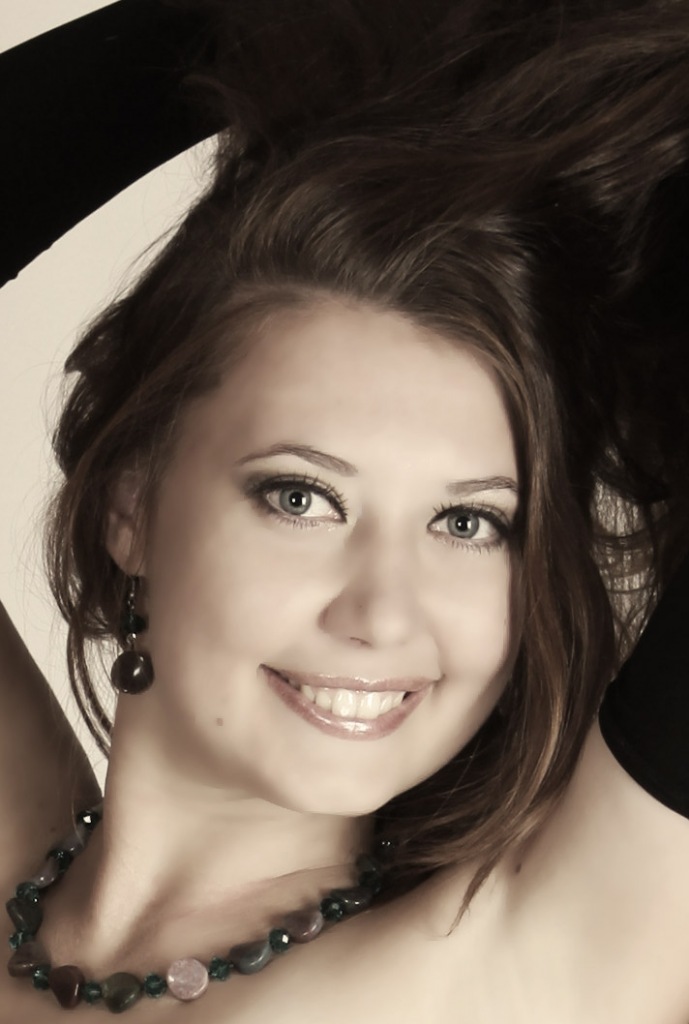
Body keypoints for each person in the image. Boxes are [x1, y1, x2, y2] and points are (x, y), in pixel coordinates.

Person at [2, 0, 689, 1019]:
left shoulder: (516, 977)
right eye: (302, 497)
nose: (381, 613)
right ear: (129, 501)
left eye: (468, 524)